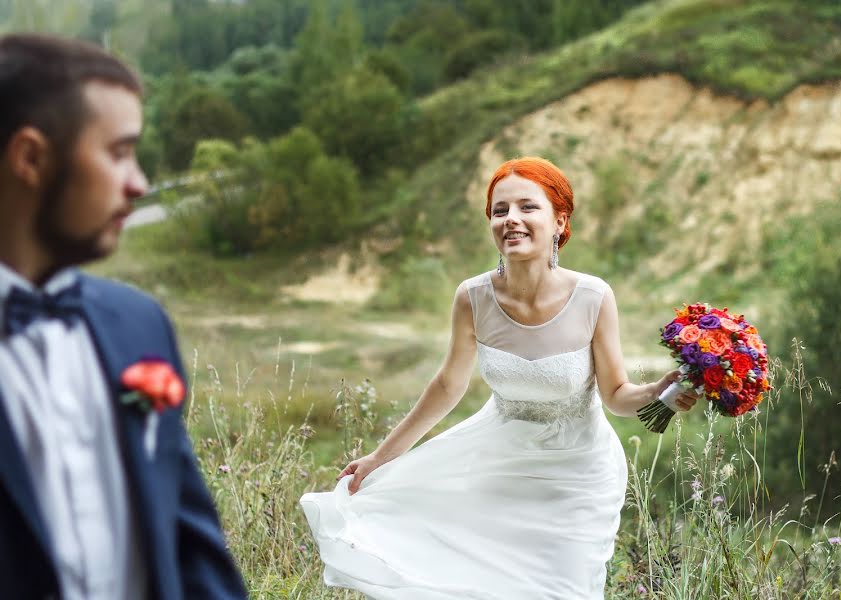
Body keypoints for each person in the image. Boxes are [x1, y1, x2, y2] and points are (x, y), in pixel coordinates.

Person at [301, 156, 700, 599]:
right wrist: (381, 458)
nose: (511, 220)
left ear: (559, 220)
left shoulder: (593, 297)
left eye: (528, 207)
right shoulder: (472, 298)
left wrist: (655, 391)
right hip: (499, 464)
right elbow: (447, 386)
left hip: (579, 476)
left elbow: (617, 395)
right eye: (499, 210)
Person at [0, 34, 246, 599]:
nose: (137, 183)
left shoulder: (138, 324)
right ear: (31, 158)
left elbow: (192, 550)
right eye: (118, 152)